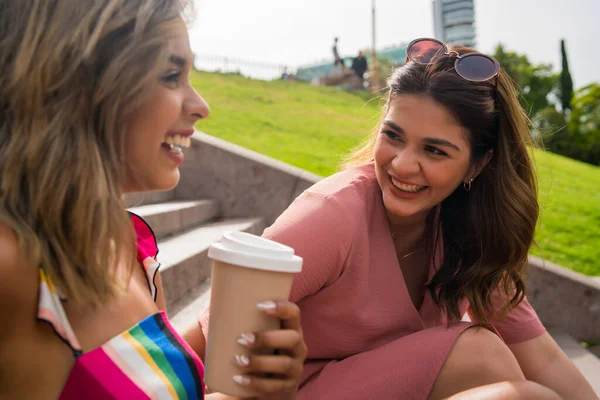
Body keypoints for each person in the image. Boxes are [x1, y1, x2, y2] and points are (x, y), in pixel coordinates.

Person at [201, 38, 597, 399]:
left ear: (478, 164)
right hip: (287, 393)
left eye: (435, 151)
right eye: (393, 136)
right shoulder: (332, 214)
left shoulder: (470, 235)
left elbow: (542, 358)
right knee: (489, 361)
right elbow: (204, 340)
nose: (403, 165)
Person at [0, 0, 306, 399]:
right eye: (171, 75)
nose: (201, 107)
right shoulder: (13, 267)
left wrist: (254, 392)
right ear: (78, 85)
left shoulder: (133, 246)